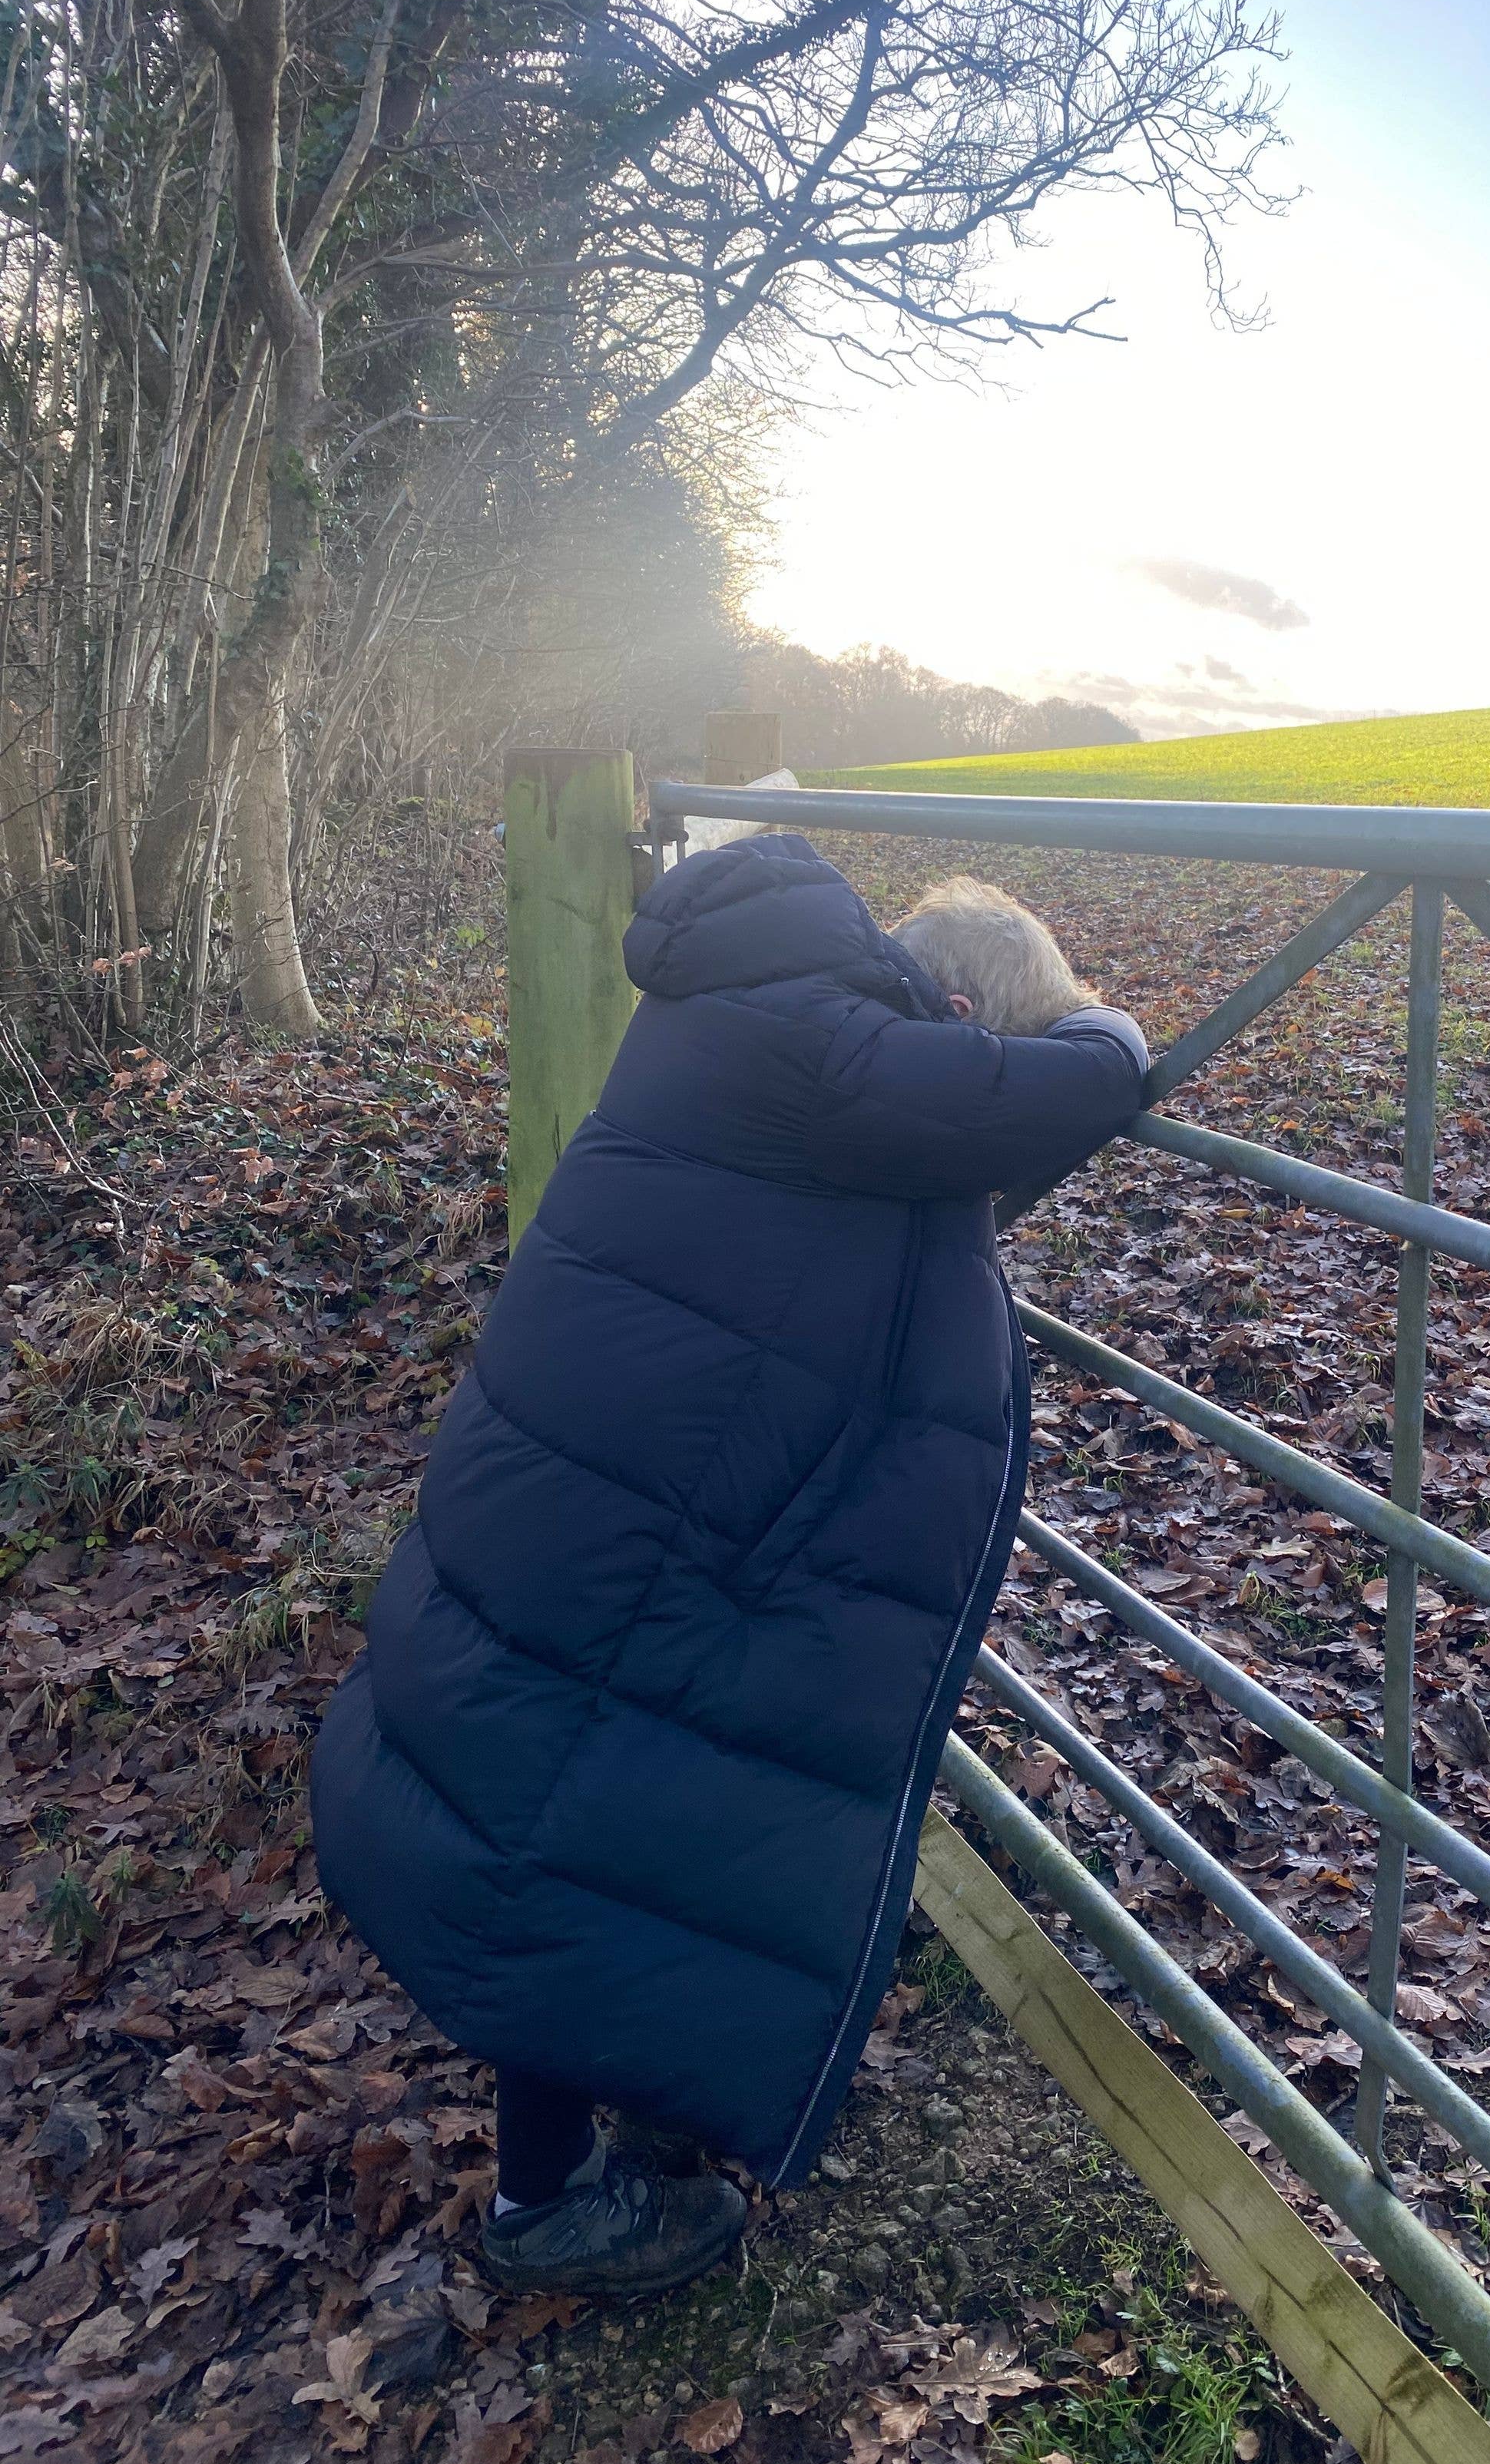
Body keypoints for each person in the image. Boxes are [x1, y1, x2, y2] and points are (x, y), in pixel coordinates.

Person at [310, 835, 1148, 2297]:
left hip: (565, 1493)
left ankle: (628, 2130)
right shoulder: (832, 1057)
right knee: (569, 1818)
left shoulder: (738, 1010)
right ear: (949, 1022)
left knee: (578, 1803)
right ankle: (546, 2207)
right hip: (609, 1529)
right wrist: (1113, 1031)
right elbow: (1055, 1092)